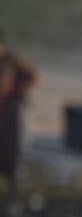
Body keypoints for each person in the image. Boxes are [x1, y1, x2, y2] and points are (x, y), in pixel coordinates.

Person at [0, 33, 38, 199]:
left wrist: (18, 91)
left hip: (9, 114)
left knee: (10, 152)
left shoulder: (13, 61)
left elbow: (33, 77)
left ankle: (13, 199)